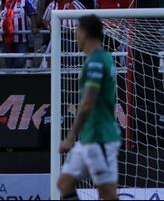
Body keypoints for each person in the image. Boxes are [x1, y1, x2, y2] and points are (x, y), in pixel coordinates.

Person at [58, 14, 120, 201]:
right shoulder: (102, 58)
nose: (75, 35)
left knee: (107, 194)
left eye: (77, 31)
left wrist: (69, 137)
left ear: (84, 33)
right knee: (64, 183)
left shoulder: (96, 62)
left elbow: (87, 104)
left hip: (99, 137)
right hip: (88, 138)